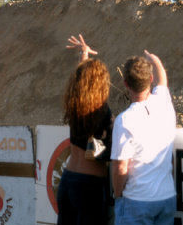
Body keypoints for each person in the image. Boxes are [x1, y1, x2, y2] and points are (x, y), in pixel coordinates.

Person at [111, 51, 176, 225]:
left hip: (136, 200)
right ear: (151, 79)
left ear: (126, 84)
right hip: (167, 197)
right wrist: (156, 60)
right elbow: (163, 80)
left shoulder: (124, 120)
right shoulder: (164, 102)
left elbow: (120, 167)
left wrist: (118, 195)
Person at [57, 34, 113, 225]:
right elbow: (96, 153)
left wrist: (84, 55)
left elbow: (82, 82)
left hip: (68, 179)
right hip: (90, 185)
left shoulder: (75, 104)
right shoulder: (102, 111)